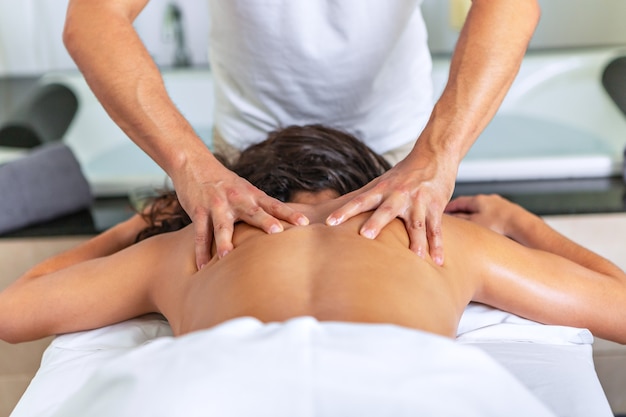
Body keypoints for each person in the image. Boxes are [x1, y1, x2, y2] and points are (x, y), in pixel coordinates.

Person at [1, 124, 625, 346]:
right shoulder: (434, 238)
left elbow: (15, 309)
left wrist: (142, 223)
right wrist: (519, 222)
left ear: (241, 188)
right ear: (374, 182)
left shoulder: (193, 248)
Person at [62, 0, 541, 270]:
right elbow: (94, 16)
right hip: (244, 166)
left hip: (400, 156)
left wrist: (438, 156)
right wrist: (192, 169)